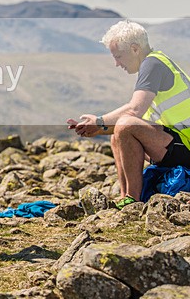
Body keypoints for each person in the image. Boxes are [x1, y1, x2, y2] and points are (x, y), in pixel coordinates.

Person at [68, 20, 190, 208]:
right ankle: (126, 198)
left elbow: (133, 111)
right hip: (177, 141)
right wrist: (95, 129)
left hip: (186, 145)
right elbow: (141, 121)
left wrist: (99, 121)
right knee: (118, 133)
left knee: (125, 126)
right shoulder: (153, 63)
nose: (117, 64)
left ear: (134, 49)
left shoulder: (153, 65)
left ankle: (133, 201)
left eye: (118, 56)